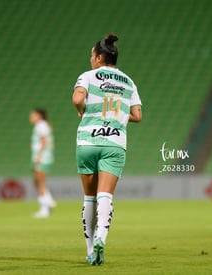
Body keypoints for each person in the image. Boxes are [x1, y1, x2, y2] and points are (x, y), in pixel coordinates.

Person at [72, 34, 142, 265]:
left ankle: (91, 250)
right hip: (114, 143)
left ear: (100, 57)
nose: (91, 59)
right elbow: (137, 116)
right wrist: (117, 114)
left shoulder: (87, 76)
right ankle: (102, 236)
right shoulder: (128, 82)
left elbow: (77, 99)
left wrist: (84, 109)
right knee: (106, 195)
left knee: (89, 197)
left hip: (88, 141)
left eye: (92, 56)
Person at [29, 108, 56, 218]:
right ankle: (49, 201)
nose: (31, 117)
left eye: (33, 115)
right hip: (42, 156)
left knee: (40, 183)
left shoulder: (41, 125)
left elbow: (45, 141)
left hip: (42, 157)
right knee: (37, 182)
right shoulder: (42, 125)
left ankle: (44, 209)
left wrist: (39, 156)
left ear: (39, 116)